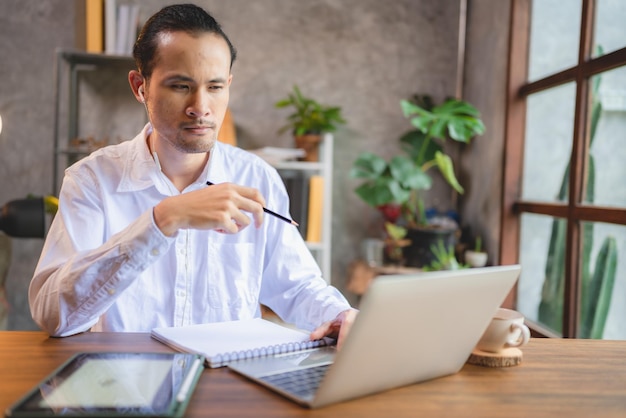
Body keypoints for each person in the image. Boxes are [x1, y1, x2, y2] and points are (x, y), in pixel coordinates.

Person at [29, 3, 356, 346]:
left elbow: (296, 285)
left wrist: (338, 316)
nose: (200, 107)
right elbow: (55, 317)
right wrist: (163, 219)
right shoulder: (91, 180)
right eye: (180, 86)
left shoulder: (258, 177)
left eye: (215, 87)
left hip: (232, 384)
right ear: (140, 86)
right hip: (126, 385)